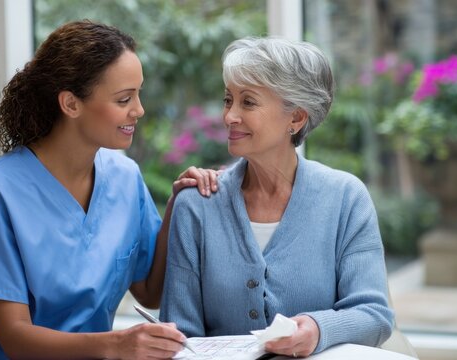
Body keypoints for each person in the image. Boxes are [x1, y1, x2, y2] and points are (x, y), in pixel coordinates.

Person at [0, 20, 219, 360]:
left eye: (138, 95)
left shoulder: (125, 178)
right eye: (124, 98)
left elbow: (149, 292)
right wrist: (117, 345)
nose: (139, 110)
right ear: (70, 104)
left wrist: (177, 203)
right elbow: (15, 339)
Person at [160, 37, 394, 358]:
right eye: (229, 100)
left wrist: (316, 329)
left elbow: (374, 314)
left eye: (248, 102)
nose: (229, 115)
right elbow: (179, 334)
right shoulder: (196, 204)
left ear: (296, 118)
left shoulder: (345, 198)